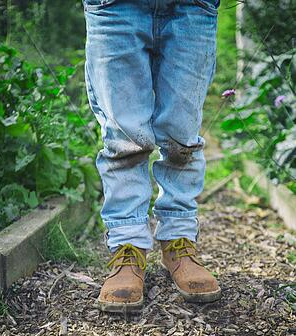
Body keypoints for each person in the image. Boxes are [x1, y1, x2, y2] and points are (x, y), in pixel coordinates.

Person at [83, 0, 221, 312]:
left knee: (181, 138)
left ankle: (178, 240)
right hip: (113, 5)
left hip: (194, 5)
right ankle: (128, 245)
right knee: (124, 139)